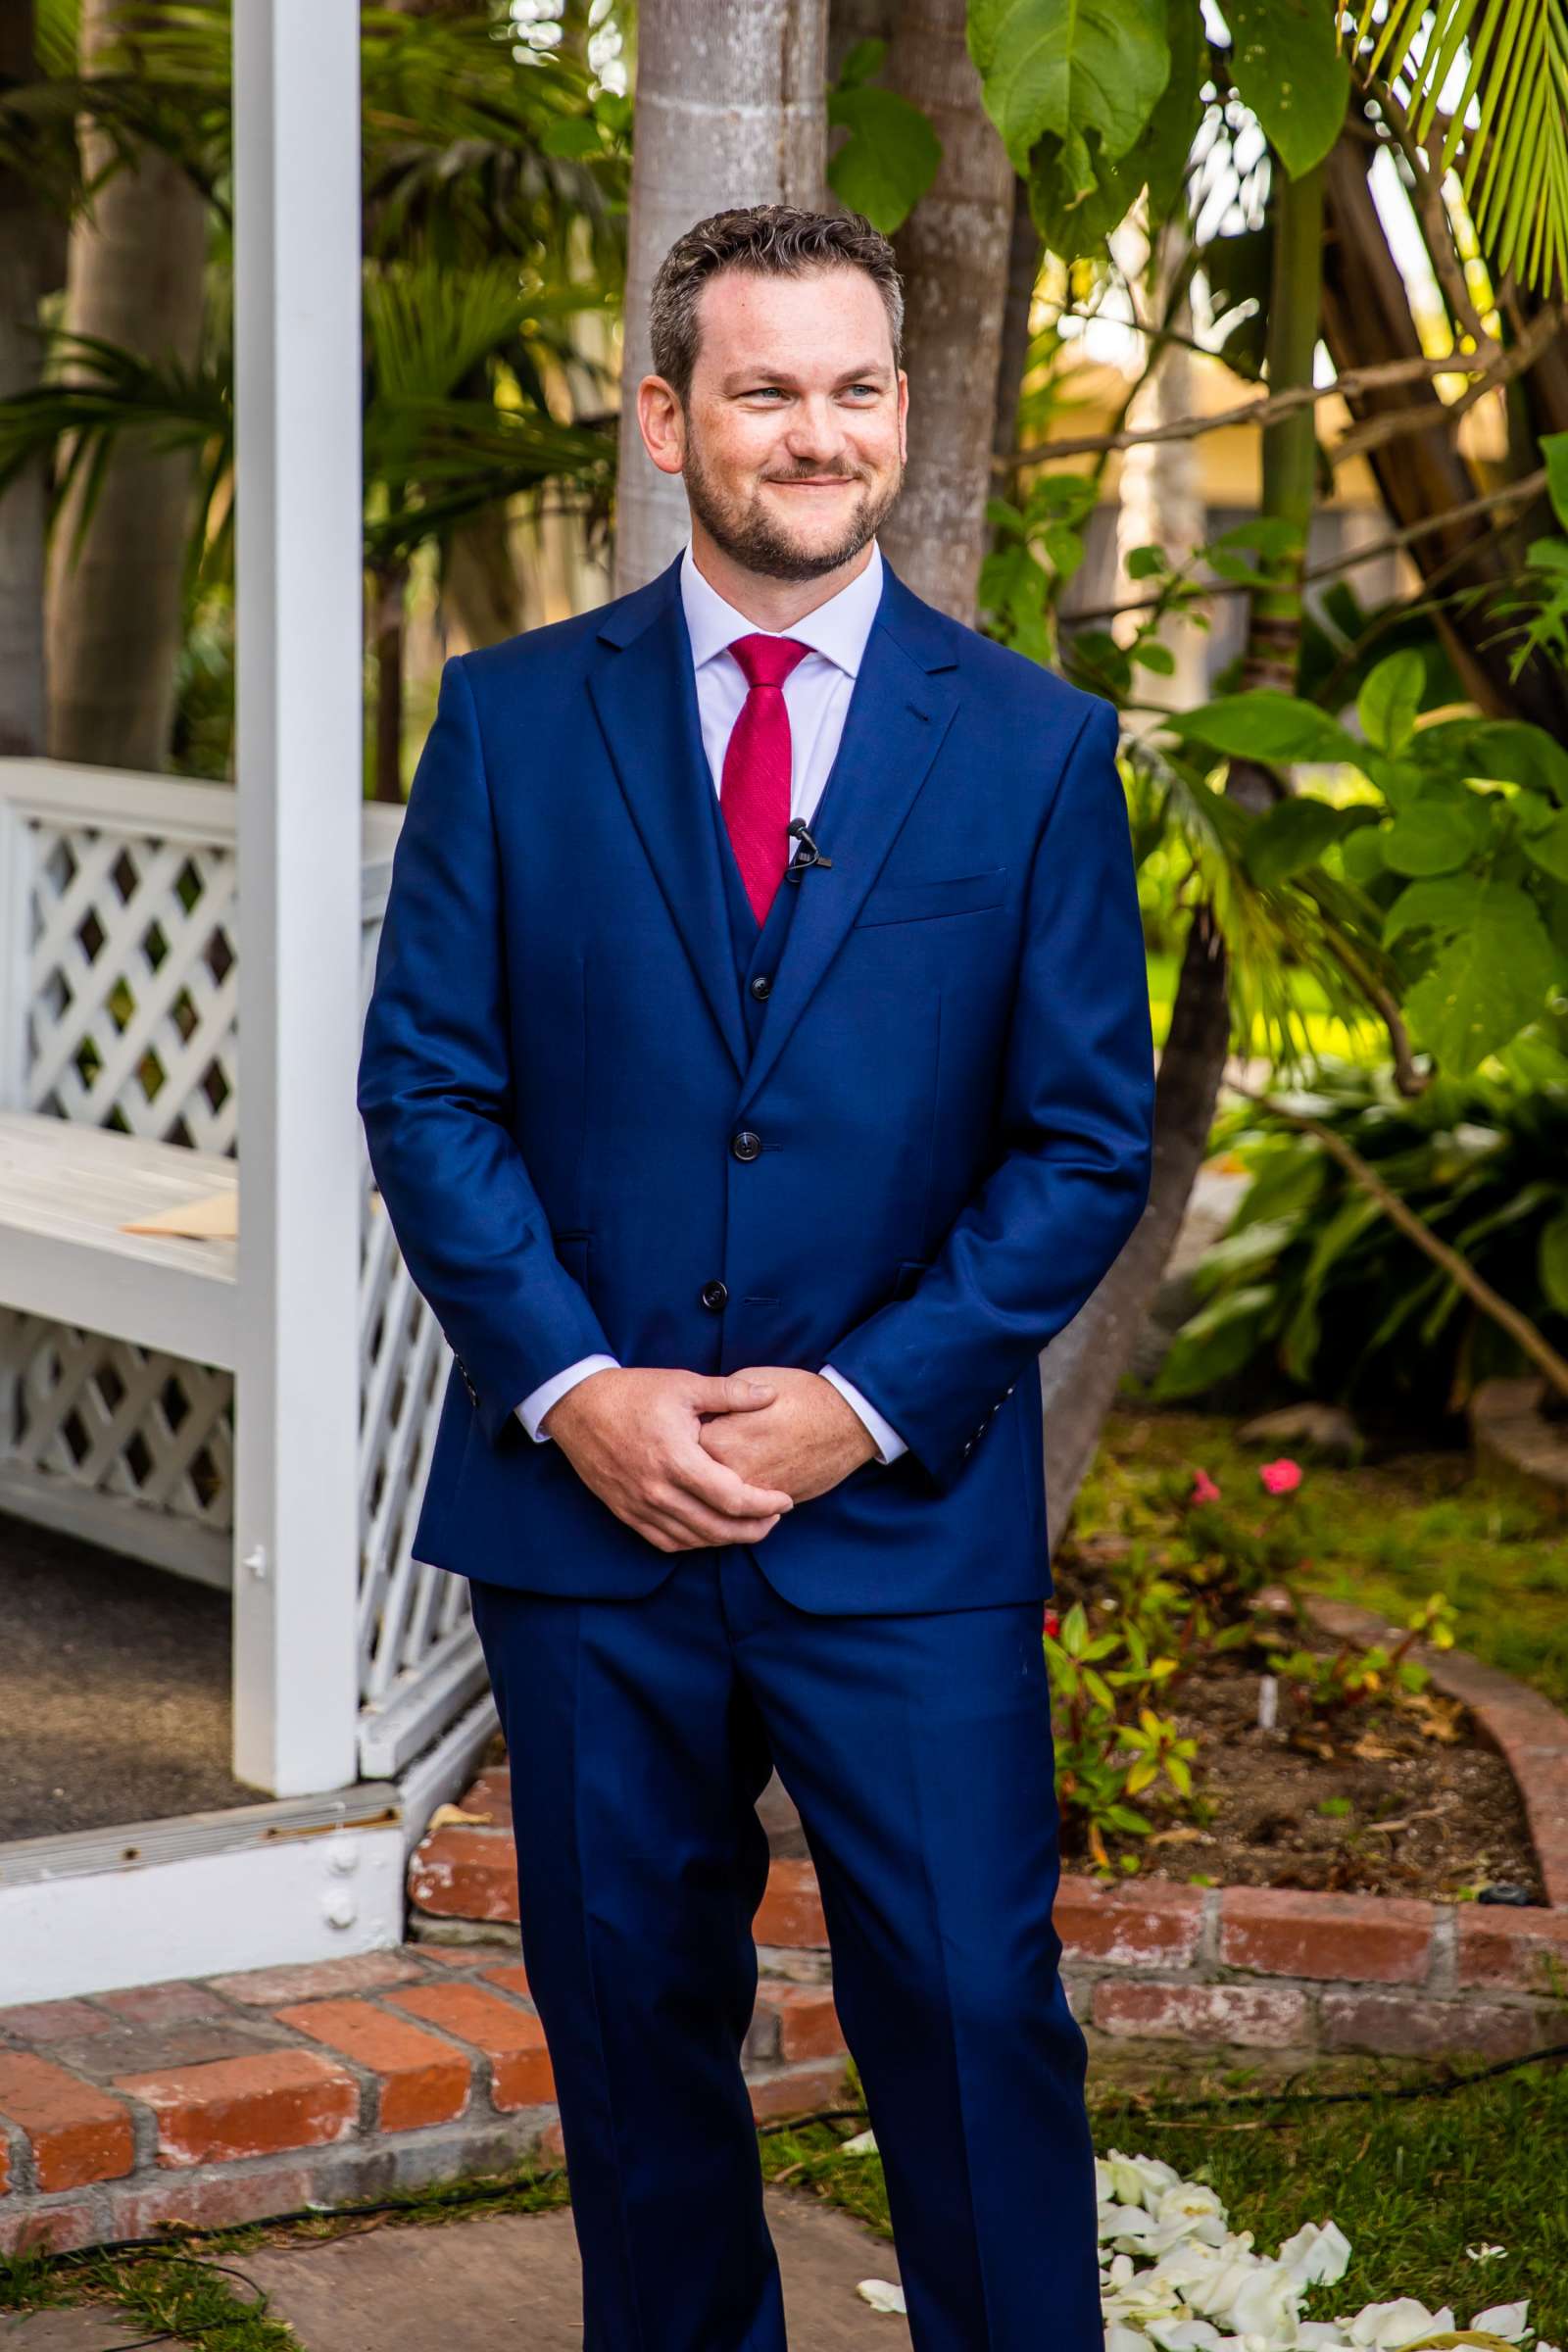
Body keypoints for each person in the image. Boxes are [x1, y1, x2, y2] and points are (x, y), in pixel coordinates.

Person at [358, 202, 1154, 2352]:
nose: (816, 432)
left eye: (855, 386)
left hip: (892, 1516)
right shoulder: (512, 724)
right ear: (664, 417)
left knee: (979, 2015)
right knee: (623, 2024)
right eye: (763, 387)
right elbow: (427, 1091)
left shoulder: (1030, 753)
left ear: (900, 408)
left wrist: (861, 1403)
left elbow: (1082, 1141)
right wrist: (577, 1390)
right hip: (584, 1520)